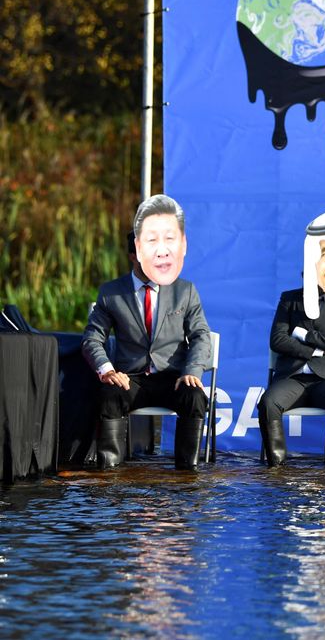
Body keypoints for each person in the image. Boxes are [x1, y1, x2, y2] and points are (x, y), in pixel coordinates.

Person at [81, 194, 212, 470]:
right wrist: (106, 370)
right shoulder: (111, 293)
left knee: (194, 397)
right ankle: (111, 476)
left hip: (173, 378)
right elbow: (92, 338)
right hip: (131, 379)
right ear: (134, 255)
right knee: (109, 395)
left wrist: (192, 372)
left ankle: (187, 475)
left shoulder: (184, 290)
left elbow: (200, 335)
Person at [259, 211, 325, 467]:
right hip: (292, 377)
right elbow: (277, 340)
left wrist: (304, 335)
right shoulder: (290, 300)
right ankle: (277, 467)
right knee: (268, 403)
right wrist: (314, 352)